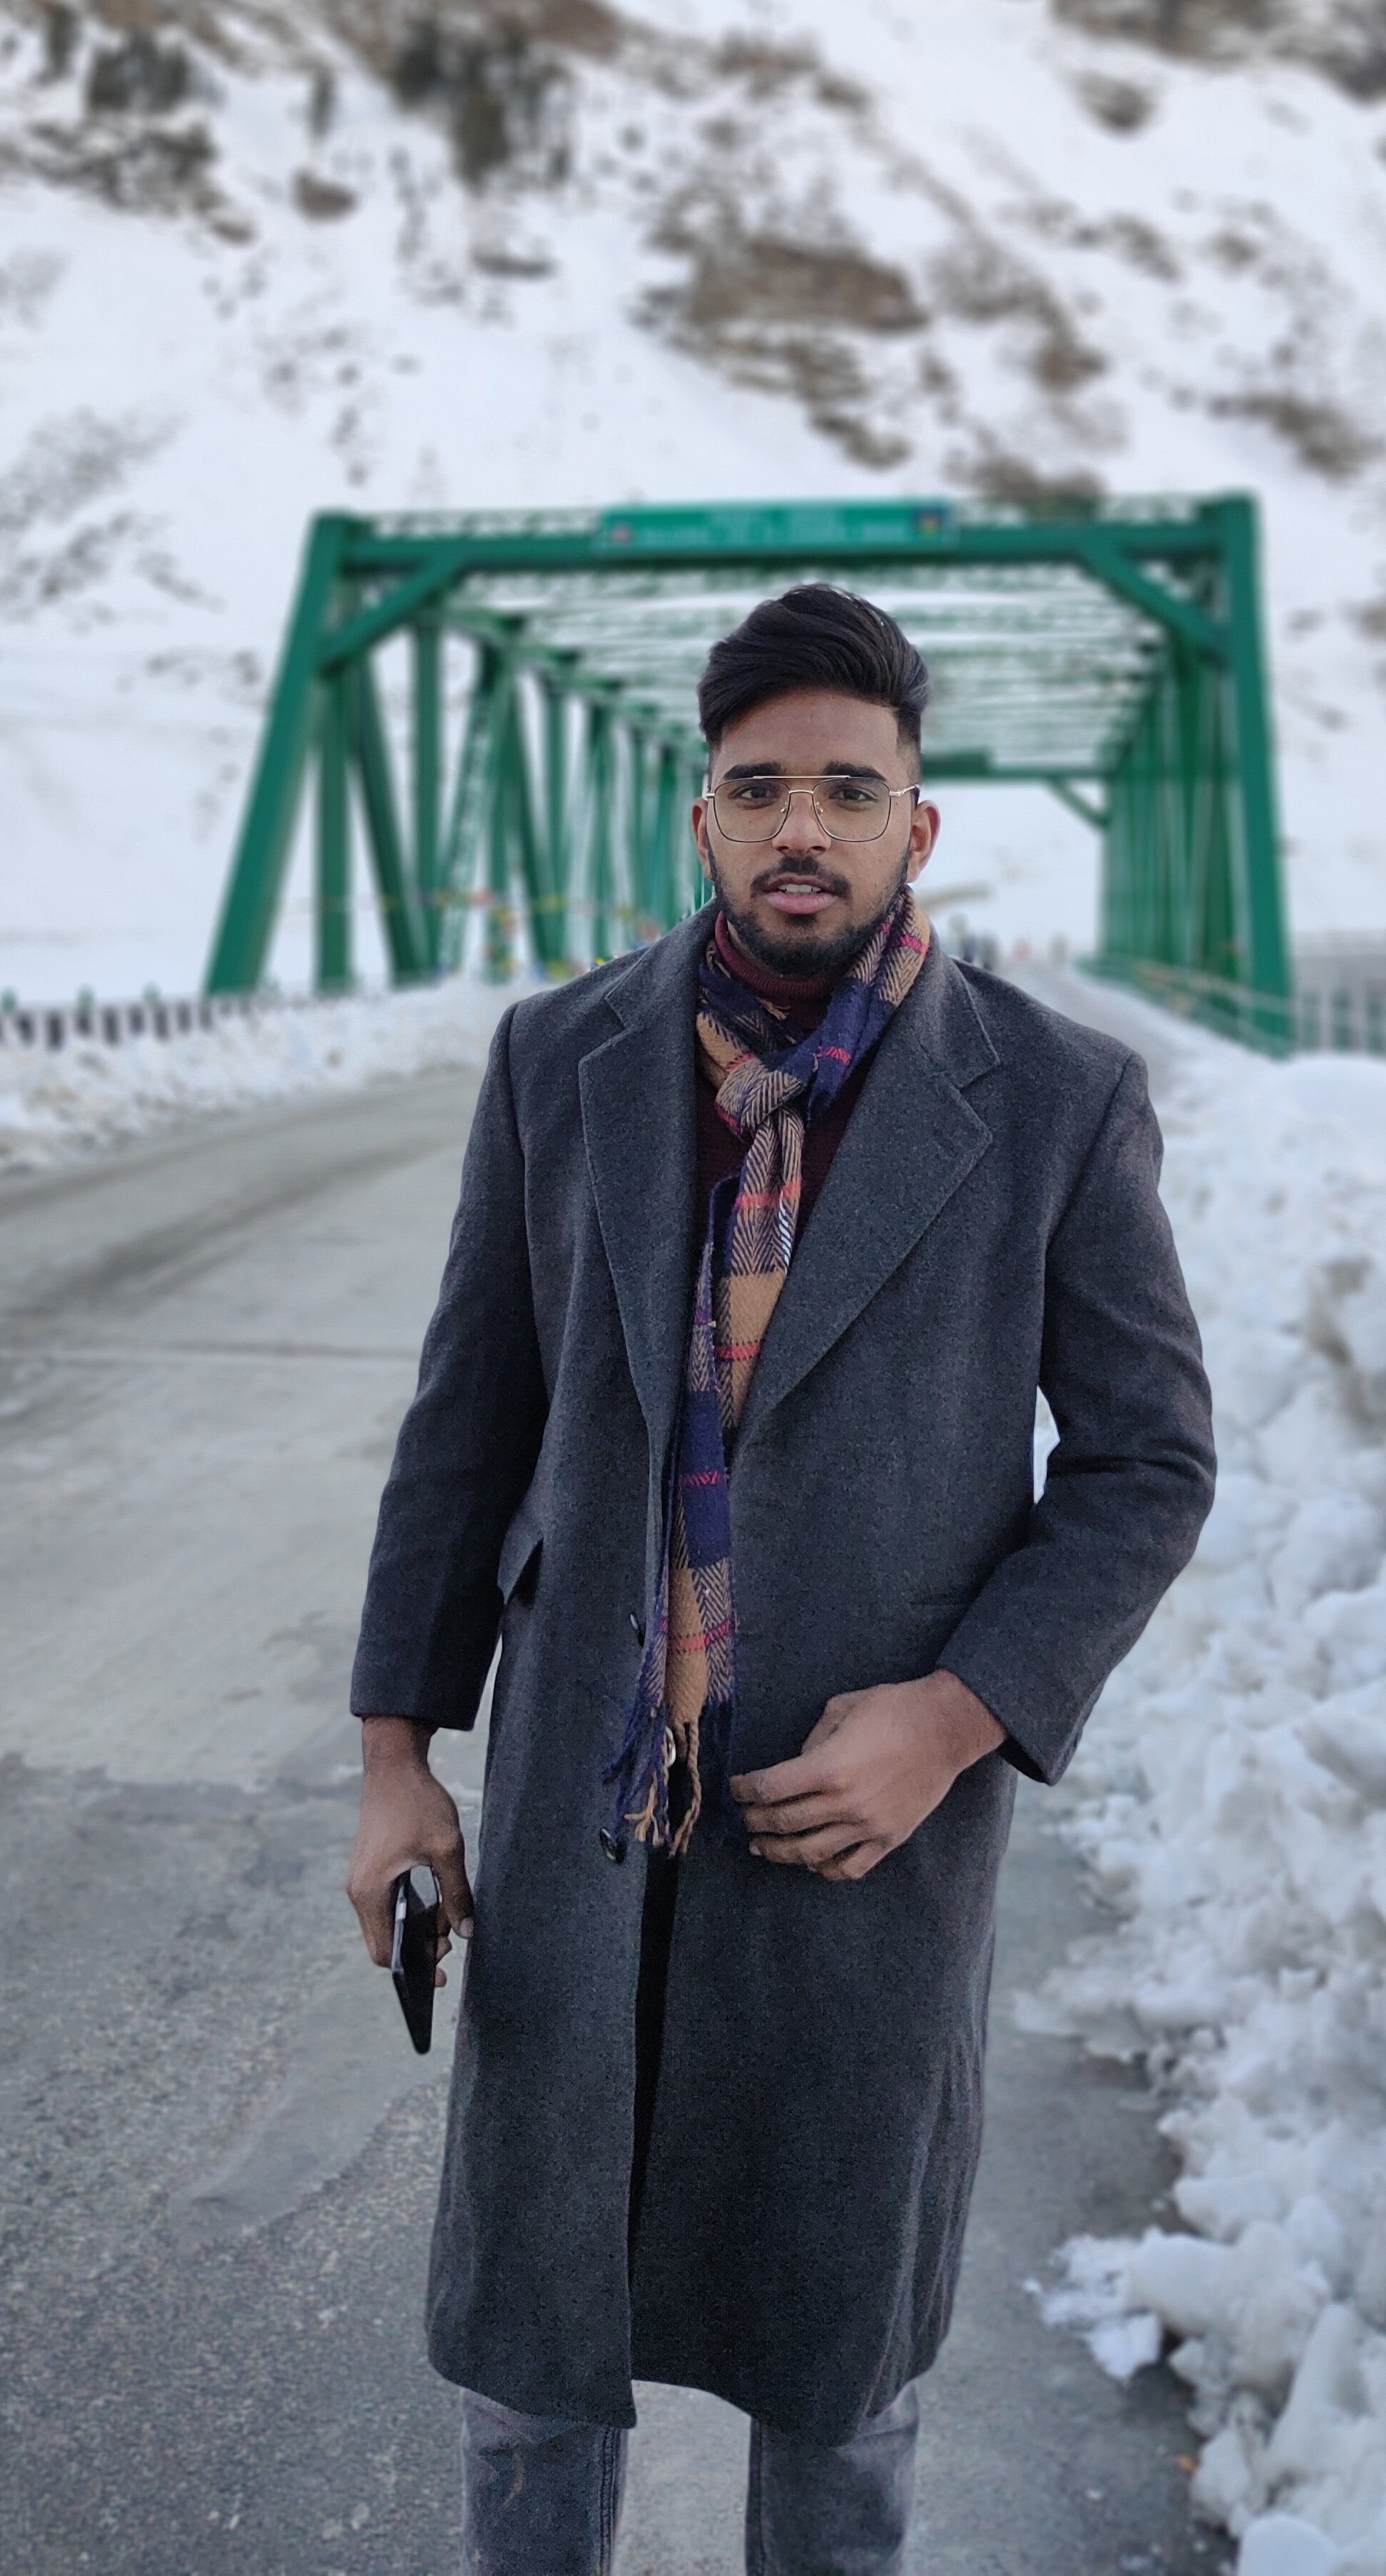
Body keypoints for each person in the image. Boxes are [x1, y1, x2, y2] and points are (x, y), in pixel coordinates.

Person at [345, 582, 1216, 2575]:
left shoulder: (1057, 1100)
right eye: (758, 789)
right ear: (702, 816)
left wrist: (959, 1716)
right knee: (531, 2362)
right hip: (582, 1807)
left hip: (857, 1831)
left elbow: (1150, 1462)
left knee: (838, 2380)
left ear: (921, 823)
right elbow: (466, 1424)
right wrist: (398, 1757)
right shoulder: (561, 1057)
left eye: (848, 788)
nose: (798, 827)